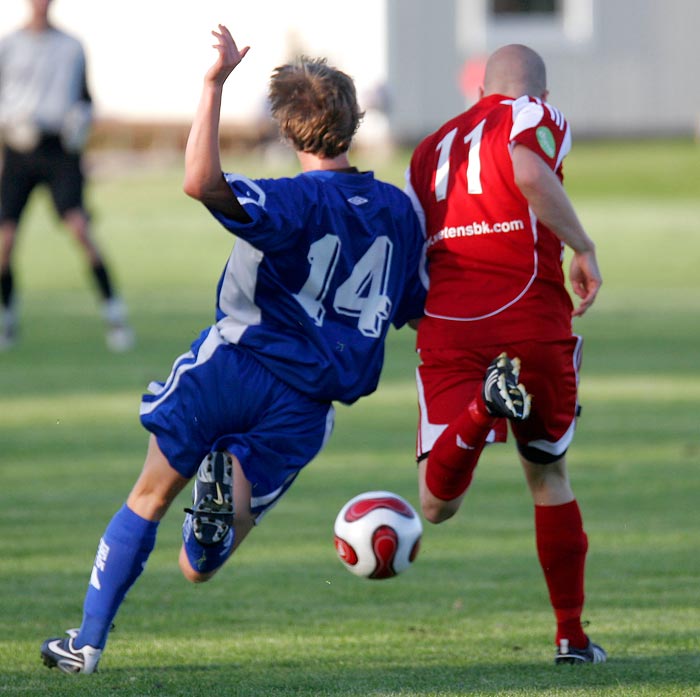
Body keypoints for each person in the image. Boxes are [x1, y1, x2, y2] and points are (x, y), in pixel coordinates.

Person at [40, 24, 426, 674]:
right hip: (305, 406)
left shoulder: (288, 200)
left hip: (233, 365)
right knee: (198, 566)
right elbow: (412, 308)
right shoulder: (397, 211)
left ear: (285, 129)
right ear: (357, 119)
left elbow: (200, 179)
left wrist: (214, 81)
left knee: (148, 496)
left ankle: (87, 644)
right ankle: (215, 521)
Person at [405, 44, 605, 664]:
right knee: (547, 475)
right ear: (538, 94)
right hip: (530, 314)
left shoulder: (429, 147)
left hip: (449, 322)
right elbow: (525, 169)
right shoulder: (532, 116)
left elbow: (418, 240)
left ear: (481, 87)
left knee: (435, 504)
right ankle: (571, 637)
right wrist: (583, 245)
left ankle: (478, 412)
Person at [0, 0, 133, 351]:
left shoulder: (71, 46)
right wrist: (10, 125)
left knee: (80, 229)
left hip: (59, 151)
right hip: (18, 150)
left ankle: (114, 314)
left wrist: (79, 123)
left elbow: (85, 98)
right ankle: (7, 319)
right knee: (5, 240)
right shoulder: (9, 45)